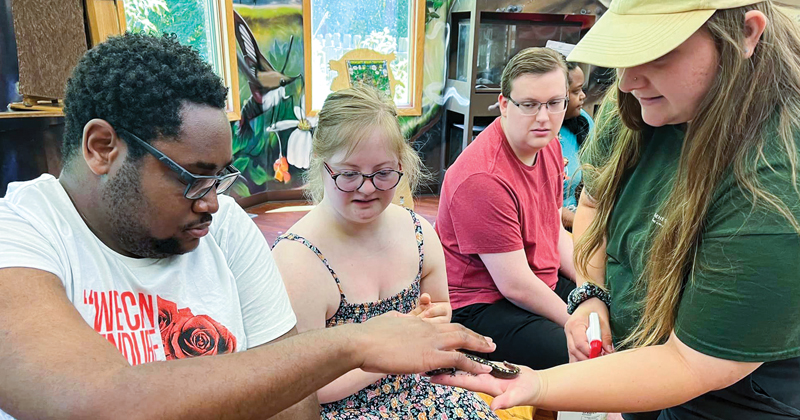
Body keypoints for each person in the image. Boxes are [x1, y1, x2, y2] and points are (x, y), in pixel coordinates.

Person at [0, 33, 497, 420]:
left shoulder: (226, 228)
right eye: (195, 178)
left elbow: (294, 405)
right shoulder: (21, 236)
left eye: (222, 178)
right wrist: (355, 343)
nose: (215, 203)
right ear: (102, 147)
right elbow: (92, 403)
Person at [432, 1, 800, 418]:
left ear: (747, 34)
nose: (626, 82)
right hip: (587, 323)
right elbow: (591, 205)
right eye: (624, 55)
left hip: (734, 394)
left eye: (656, 53)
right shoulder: (638, 107)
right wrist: (590, 294)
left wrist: (541, 381)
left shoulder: (777, 180)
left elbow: (692, 364)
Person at [272, 85, 498, 420]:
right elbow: (306, 385)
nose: (366, 188)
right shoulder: (297, 261)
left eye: (383, 173)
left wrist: (428, 328)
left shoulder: (418, 232)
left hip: (424, 389)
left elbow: (440, 315)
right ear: (321, 165)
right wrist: (394, 348)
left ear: (401, 165)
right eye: (349, 174)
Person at [436, 47, 577, 371]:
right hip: (481, 304)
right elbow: (514, 284)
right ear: (504, 105)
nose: (544, 117)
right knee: (577, 351)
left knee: (619, 316)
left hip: (537, 280)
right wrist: (574, 322)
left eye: (555, 103)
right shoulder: (482, 177)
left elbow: (553, 228)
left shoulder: (550, 144)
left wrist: (589, 288)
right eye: (529, 105)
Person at [558, 60, 594, 231]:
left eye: (582, 89)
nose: (583, 96)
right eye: (575, 91)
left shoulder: (583, 121)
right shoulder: (535, 133)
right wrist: (584, 225)